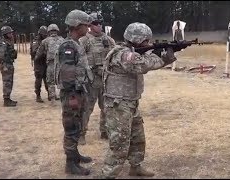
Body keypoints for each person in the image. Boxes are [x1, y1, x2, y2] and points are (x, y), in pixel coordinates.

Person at [101, 22, 177, 179]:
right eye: (146, 40)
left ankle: (135, 167)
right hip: (118, 105)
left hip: (130, 102)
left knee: (137, 138)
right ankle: (107, 175)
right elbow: (141, 64)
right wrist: (163, 58)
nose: (148, 43)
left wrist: (158, 53)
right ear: (136, 39)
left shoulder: (132, 51)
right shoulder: (122, 54)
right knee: (119, 143)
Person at [55, 9, 94, 176]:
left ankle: (75, 155)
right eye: (86, 25)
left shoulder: (75, 43)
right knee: (71, 126)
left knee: (76, 125)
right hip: (72, 93)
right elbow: (68, 74)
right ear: (78, 26)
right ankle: (70, 164)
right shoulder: (68, 46)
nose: (89, 28)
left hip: (78, 91)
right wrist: (73, 96)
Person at [79, 11, 116, 144]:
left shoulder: (108, 40)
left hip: (106, 79)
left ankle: (105, 131)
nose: (99, 26)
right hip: (91, 80)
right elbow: (79, 60)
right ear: (89, 25)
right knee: (86, 108)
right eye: (95, 24)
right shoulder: (84, 40)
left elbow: (115, 56)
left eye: (100, 23)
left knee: (106, 107)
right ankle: (81, 134)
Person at [35, 24, 64, 102]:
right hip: (61, 63)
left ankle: (52, 97)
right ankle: (63, 96)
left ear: (49, 31)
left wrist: (36, 59)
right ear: (57, 30)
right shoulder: (62, 40)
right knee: (61, 80)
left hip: (51, 64)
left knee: (50, 81)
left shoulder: (45, 41)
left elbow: (39, 53)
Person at [0, 26, 18, 107]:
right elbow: (2, 55)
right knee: (7, 82)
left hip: (9, 64)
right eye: (9, 33)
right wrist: (5, 66)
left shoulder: (8, 42)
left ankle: (8, 98)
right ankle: (6, 100)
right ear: (5, 34)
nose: (11, 34)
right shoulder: (3, 43)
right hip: (6, 65)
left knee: (9, 82)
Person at [30, 26, 49, 103]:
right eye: (44, 34)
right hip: (38, 63)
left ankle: (50, 94)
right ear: (40, 34)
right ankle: (38, 95)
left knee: (47, 79)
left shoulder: (46, 40)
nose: (45, 36)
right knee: (38, 80)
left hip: (45, 62)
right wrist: (44, 53)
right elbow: (35, 52)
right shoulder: (36, 41)